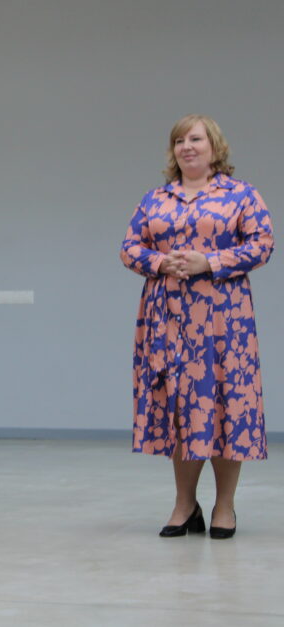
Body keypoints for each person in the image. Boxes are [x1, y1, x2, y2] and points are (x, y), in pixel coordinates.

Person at [120, 113, 273, 539]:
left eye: (195, 139)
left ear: (214, 147)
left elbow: (263, 244)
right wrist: (159, 261)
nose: (186, 147)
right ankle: (185, 505)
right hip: (167, 319)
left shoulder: (241, 194)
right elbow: (129, 247)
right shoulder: (155, 198)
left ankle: (225, 506)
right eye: (179, 141)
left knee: (225, 405)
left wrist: (211, 261)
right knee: (180, 407)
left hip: (225, 320)